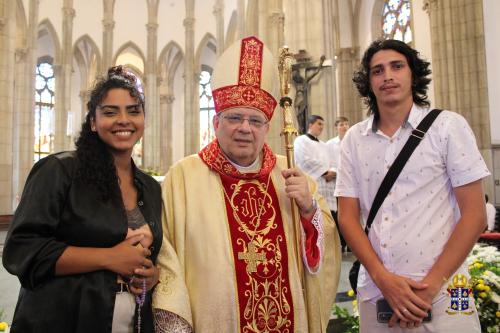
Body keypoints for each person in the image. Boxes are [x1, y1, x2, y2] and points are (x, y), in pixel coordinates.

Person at [152, 36, 341, 333]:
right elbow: (167, 263)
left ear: (267, 128)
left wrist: (308, 210)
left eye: (255, 121)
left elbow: (323, 257)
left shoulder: (289, 174)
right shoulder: (183, 178)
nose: (244, 128)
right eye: (234, 118)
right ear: (216, 124)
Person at [335, 39, 490, 332]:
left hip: (445, 292)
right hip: (377, 291)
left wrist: (429, 288)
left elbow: (474, 214)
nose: (388, 76)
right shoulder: (354, 140)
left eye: (397, 66)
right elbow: (347, 217)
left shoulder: (448, 126)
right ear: (368, 82)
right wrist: (383, 279)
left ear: (413, 75)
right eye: (377, 71)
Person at [2, 66, 162, 333]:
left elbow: (150, 257)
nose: (124, 119)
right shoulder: (60, 170)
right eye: (110, 112)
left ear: (144, 119)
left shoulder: (150, 187)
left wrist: (152, 276)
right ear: (93, 121)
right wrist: (108, 257)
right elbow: (21, 250)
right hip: (61, 320)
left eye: (133, 110)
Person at [294, 115, 338, 240]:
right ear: (310, 125)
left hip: (327, 184)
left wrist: (333, 172)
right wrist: (325, 172)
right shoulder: (301, 140)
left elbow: (333, 162)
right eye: (319, 124)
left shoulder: (324, 145)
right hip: (313, 183)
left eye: (323, 124)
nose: (322, 127)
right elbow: (304, 160)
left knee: (329, 215)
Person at [326, 116, 350, 251]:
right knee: (338, 213)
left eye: (346, 124)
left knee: (350, 212)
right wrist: (335, 171)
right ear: (336, 127)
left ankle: (350, 243)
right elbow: (328, 162)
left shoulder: (352, 141)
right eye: (341, 124)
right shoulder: (329, 144)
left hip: (349, 181)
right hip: (334, 182)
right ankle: (340, 242)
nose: (344, 126)